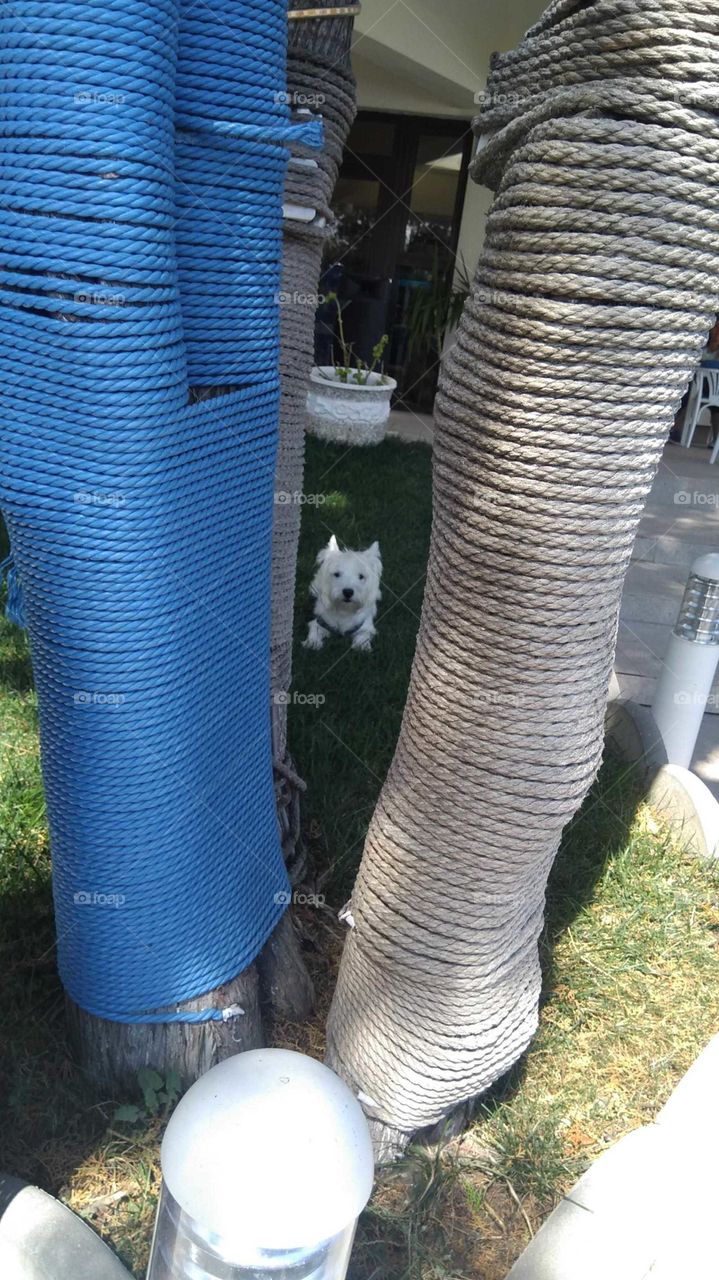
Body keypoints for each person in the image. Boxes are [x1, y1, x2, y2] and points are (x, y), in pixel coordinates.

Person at [670, 316, 719, 444]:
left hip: (706, 390)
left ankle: (674, 429)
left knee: (690, 394)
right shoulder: (701, 344)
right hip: (700, 388)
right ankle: (675, 429)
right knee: (688, 392)